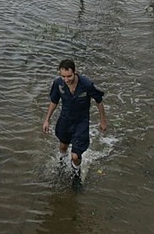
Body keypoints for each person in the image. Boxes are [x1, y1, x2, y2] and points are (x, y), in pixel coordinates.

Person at [42, 59, 107, 189]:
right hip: (65, 119)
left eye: (69, 76)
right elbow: (54, 101)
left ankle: (76, 174)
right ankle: (62, 163)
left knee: (76, 155)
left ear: (75, 72)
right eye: (63, 76)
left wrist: (103, 120)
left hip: (81, 122)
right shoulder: (58, 84)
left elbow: (99, 101)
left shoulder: (86, 84)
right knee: (63, 145)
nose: (66, 80)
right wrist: (47, 120)